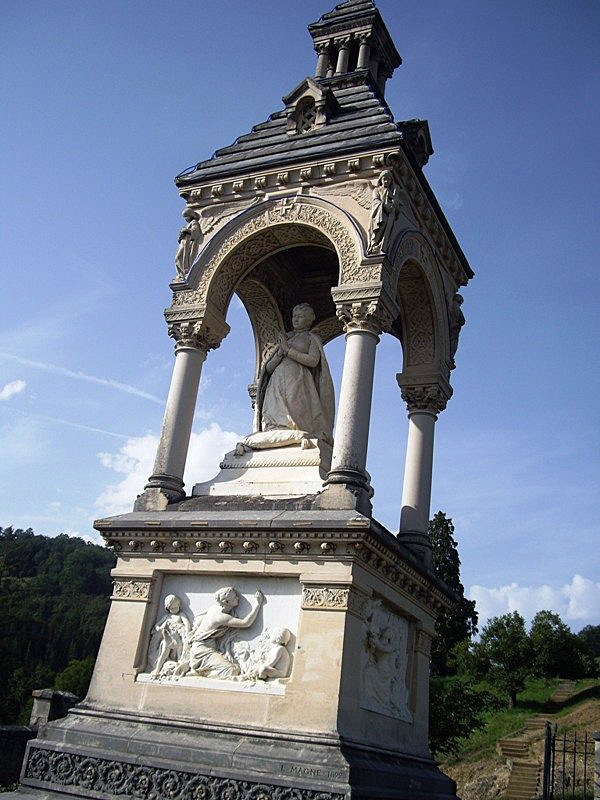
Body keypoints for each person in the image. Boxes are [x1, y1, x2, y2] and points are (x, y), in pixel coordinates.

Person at [243, 303, 334, 450]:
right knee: (275, 413)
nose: (296, 319)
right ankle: (276, 436)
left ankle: (297, 436)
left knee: (296, 412)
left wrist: (289, 351)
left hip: (298, 379)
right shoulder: (286, 338)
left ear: (310, 319)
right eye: (294, 316)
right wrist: (280, 352)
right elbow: (268, 368)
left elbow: (313, 361)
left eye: (300, 316)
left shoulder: (311, 338)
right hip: (276, 380)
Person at [187, 587, 264, 679]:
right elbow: (246, 623)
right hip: (203, 650)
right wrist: (258, 604)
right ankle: (202, 673)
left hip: (199, 647)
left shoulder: (214, 608)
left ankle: (199, 670)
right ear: (227, 602)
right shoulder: (221, 617)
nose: (238, 598)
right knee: (232, 670)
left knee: (234, 668)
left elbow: (198, 622)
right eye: (235, 597)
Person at [147, 594, 191, 677]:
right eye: (172, 608)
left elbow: (187, 624)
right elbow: (157, 625)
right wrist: (159, 628)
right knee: (163, 654)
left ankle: (178, 670)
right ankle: (157, 669)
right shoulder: (167, 616)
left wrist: (188, 632)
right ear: (168, 608)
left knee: (180, 657)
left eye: (176, 607)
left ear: (179, 605)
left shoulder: (181, 615)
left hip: (178, 641)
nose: (174, 610)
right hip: (168, 640)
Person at [367, 169, 401, 254]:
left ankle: (380, 245)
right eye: (384, 179)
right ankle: (374, 244)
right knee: (379, 226)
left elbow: (397, 209)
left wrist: (394, 204)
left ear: (391, 181)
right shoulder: (377, 190)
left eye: (388, 179)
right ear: (381, 179)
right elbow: (376, 201)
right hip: (379, 214)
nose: (386, 181)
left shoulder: (392, 193)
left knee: (385, 228)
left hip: (388, 215)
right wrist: (384, 206)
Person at [175, 207, 202, 279]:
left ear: (190, 215)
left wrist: (186, 230)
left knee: (179, 257)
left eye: (186, 217)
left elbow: (195, 231)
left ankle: (184, 273)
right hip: (183, 243)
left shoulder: (194, 222)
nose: (185, 219)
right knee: (178, 258)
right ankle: (181, 274)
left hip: (187, 244)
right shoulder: (189, 224)